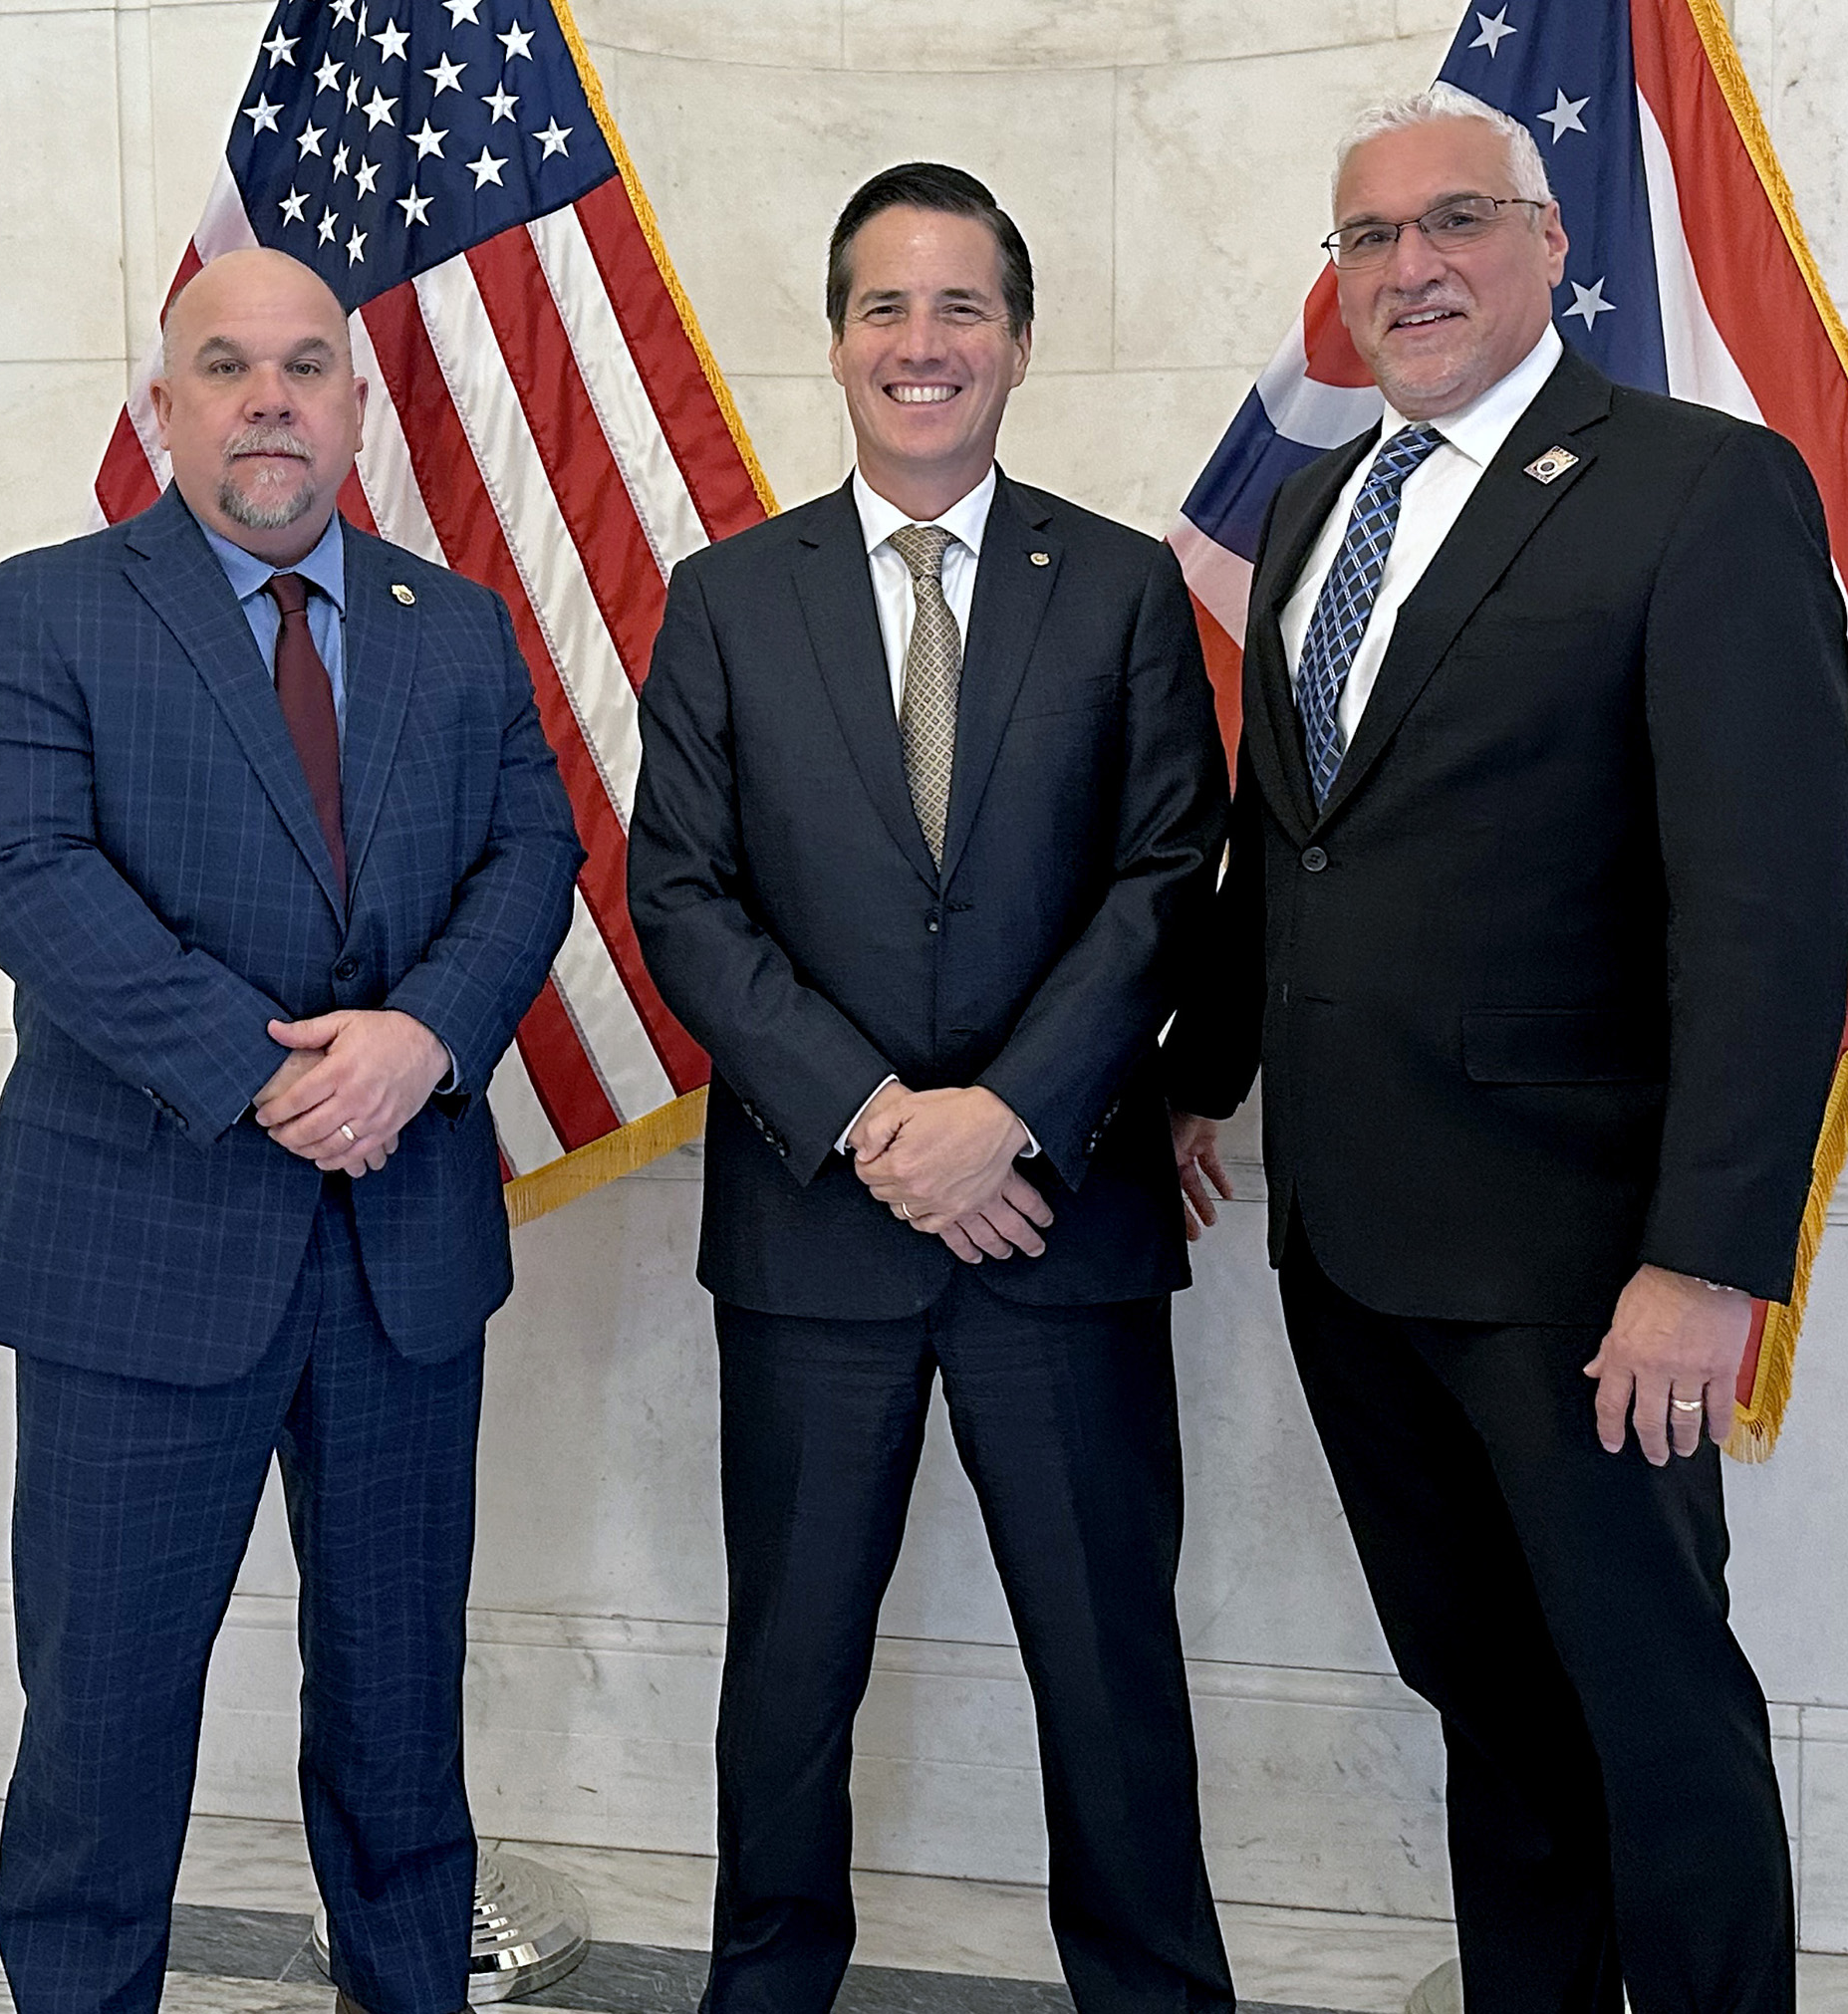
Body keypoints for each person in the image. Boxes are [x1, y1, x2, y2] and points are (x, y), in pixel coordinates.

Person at [1167, 85, 1848, 2014]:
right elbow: (1289, 843)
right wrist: (1197, 1074)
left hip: (1582, 1258)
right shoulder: (1314, 511)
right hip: (1356, 1242)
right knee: (1489, 1697)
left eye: (1456, 220)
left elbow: (1769, 909)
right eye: (1370, 238)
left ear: (1552, 243)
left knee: (1653, 1707)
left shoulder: (1700, 488)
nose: (1413, 267)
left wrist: (1707, 1257)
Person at [0, 247, 582, 2014]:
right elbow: (20, 867)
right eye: (227, 366)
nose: (270, 397)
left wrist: (423, 1040)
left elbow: (534, 850)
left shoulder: (459, 625)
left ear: (357, 406)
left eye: (306, 365)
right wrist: (276, 1071)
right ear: (166, 407)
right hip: (136, 1258)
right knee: (106, 1720)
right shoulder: (44, 609)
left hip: (401, 1262)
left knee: (399, 1714)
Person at [629, 162, 1235, 2012]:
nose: (922, 341)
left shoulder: (1120, 586)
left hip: (1063, 1228)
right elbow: (683, 894)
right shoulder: (726, 599)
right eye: (884, 306)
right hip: (817, 1234)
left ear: (1019, 343)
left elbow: (1166, 875)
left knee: (1109, 1673)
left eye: (961, 305)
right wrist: (885, 1123)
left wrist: (1009, 1113)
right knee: (789, 1676)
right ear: (835, 343)